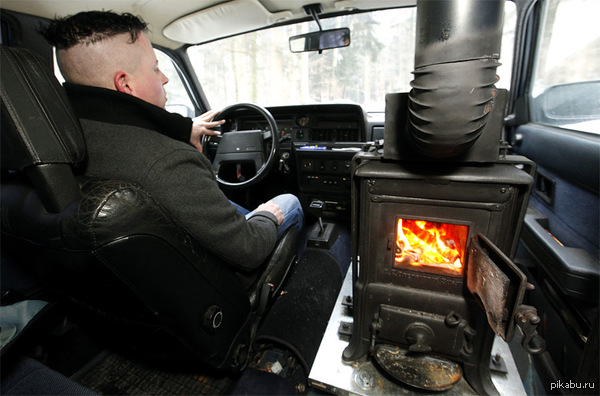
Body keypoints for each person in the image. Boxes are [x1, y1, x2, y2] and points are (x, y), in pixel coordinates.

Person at [38, 11, 303, 271]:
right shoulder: (171, 162)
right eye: (155, 69)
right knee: (287, 202)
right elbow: (249, 248)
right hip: (219, 287)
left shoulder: (58, 141)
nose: (164, 78)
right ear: (125, 84)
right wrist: (266, 216)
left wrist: (182, 129)